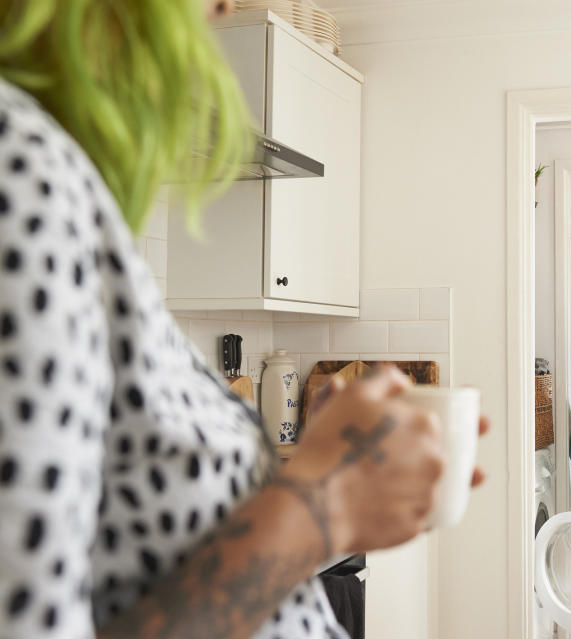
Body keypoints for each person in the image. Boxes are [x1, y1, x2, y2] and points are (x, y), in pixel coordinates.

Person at [0, 1, 487, 637]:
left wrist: (313, 467)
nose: (228, 5)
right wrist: (324, 507)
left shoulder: (53, 181)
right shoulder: (25, 171)